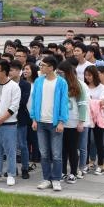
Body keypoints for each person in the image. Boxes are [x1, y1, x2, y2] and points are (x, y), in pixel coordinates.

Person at [29, 56, 69, 192]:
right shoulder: (39, 81)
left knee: (56, 154)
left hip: (55, 123)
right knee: (44, 153)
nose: (41, 67)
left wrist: (62, 121)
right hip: (40, 122)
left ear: (51, 67)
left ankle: (56, 179)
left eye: (43, 65)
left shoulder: (61, 82)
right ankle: (46, 178)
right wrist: (34, 119)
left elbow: (64, 103)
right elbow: (34, 101)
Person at [57, 61, 88, 184]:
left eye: (61, 73)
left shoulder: (77, 84)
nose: (59, 75)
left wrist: (81, 122)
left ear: (67, 73)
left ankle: (73, 172)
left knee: (72, 148)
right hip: (60, 121)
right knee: (62, 149)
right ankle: (63, 171)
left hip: (73, 121)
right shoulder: (58, 83)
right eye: (57, 72)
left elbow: (82, 104)